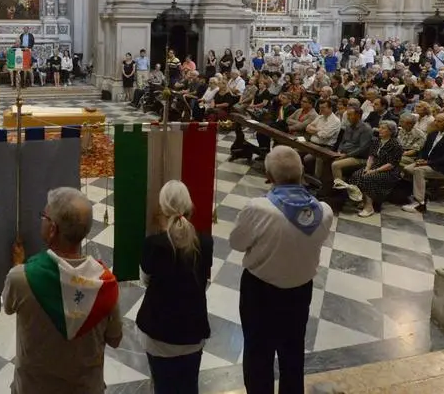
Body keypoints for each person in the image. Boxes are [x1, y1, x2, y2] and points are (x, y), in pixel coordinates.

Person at [229, 146, 333, 394]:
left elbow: (236, 243)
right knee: (293, 350)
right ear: (302, 173)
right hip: (300, 291)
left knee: (258, 351)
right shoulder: (324, 211)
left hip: (260, 291)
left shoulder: (258, 208)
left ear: (269, 176)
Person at [3, 187, 122, 394]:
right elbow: (115, 339)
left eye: (44, 216)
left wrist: (18, 266)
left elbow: (8, 306)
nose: (41, 219)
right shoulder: (106, 285)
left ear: (52, 229)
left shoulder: (21, 278)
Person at [137, 181, 213, 393]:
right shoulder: (205, 243)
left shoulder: (153, 244)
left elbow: (146, 280)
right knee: (189, 386)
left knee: (162, 385)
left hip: (158, 331)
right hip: (193, 330)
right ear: (189, 207)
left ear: (162, 208)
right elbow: (202, 281)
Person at [402, 113, 444, 212]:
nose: (435, 123)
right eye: (435, 120)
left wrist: (428, 163)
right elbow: (424, 150)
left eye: (439, 121)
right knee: (407, 168)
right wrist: (421, 159)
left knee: (418, 171)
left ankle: (420, 203)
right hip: (428, 163)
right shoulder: (433, 134)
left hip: (443, 168)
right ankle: (420, 193)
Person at [348, 120, 404, 217]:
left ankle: (369, 207)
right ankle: (363, 200)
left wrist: (373, 171)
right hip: (374, 166)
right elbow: (371, 156)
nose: (380, 130)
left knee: (368, 178)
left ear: (390, 131)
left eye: (383, 128)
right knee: (357, 174)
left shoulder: (396, 145)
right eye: (380, 127)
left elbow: (391, 164)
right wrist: (367, 168)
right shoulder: (377, 140)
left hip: (389, 171)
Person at [331, 106, 373, 185]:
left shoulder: (366, 129)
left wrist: (346, 155)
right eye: (347, 115)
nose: (348, 117)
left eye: (350, 115)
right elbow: (343, 141)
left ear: (358, 115)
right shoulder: (348, 126)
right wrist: (339, 151)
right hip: (344, 154)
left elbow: (362, 148)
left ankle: (340, 189)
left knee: (335, 165)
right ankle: (328, 186)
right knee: (326, 159)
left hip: (358, 158)